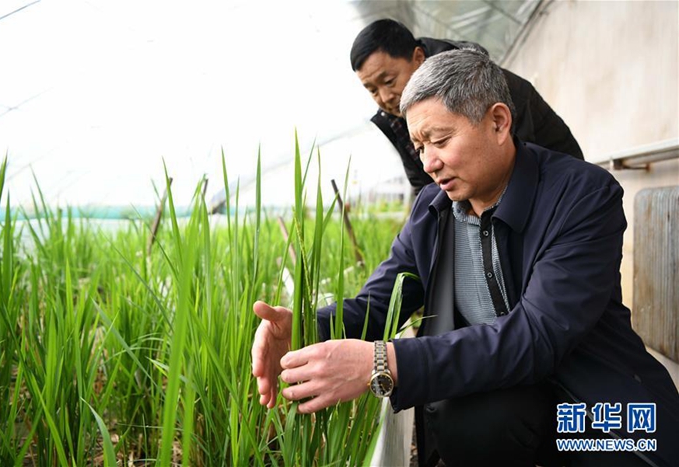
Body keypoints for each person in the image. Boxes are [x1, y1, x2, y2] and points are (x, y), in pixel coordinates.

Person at [252, 49, 679, 466]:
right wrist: (305, 327)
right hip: (511, 400)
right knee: (469, 424)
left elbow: (538, 335)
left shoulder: (581, 196)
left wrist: (385, 362)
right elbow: (380, 303)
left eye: (440, 140)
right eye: (420, 147)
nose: (429, 163)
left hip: (591, 403)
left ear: (498, 122)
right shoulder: (432, 210)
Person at [350, 19, 584, 197]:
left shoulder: (477, 85)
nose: (384, 97)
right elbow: (422, 187)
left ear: (418, 57)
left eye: (389, 81)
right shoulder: (397, 117)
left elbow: (520, 171)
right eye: (372, 90)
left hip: (559, 189)